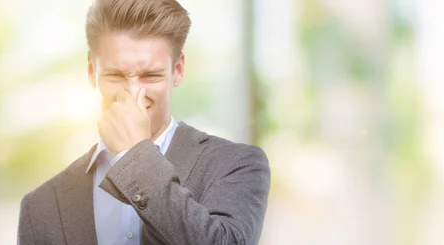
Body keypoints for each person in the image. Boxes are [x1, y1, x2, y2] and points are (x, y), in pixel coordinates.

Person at [16, 0, 271, 244]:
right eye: (115, 75)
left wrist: (134, 156)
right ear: (92, 72)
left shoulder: (236, 165)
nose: (132, 94)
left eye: (150, 75)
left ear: (178, 71)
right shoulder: (40, 207)